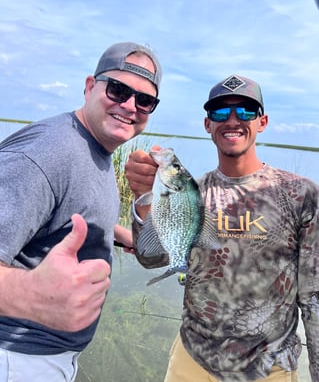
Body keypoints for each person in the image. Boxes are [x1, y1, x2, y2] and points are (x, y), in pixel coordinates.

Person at [125, 74, 319, 382]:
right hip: (191, 360)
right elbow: (152, 258)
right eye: (219, 112)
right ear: (207, 124)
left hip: (270, 370)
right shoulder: (192, 191)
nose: (232, 120)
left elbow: (313, 296)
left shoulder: (301, 195)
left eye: (245, 111)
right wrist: (142, 202)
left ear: (263, 121)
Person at [0, 41, 162, 381]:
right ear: (90, 86)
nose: (130, 106)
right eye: (118, 90)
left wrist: (112, 232)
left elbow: (62, 208)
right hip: (17, 357)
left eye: (144, 100)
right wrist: (25, 294)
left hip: (48, 356)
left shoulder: (96, 149)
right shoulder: (47, 154)